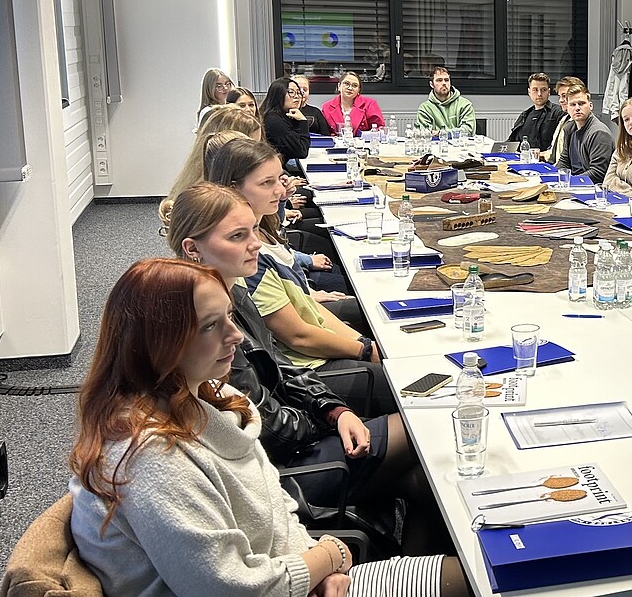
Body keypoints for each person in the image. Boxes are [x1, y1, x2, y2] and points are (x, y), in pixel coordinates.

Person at [67, 258, 464, 597]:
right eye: (210, 326)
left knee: (471, 561)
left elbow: (275, 507)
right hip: (275, 584)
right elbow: (228, 588)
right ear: (158, 343)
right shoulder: (148, 458)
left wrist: (320, 566)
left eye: (228, 316)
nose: (235, 334)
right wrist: (330, 557)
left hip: (291, 575)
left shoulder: (207, 398)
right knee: (475, 577)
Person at [167, 183, 451, 557]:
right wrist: (323, 422)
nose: (255, 244)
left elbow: (282, 368)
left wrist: (336, 410)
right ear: (193, 249)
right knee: (429, 427)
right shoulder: (203, 322)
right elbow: (268, 429)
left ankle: (409, 574)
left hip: (294, 442)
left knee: (426, 484)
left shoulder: (229, 292)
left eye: (253, 231)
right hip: (282, 473)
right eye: (238, 236)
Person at [203, 137, 391, 415]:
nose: (280, 190)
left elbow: (305, 302)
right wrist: (363, 351)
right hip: (305, 367)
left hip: (306, 355)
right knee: (401, 384)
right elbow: (297, 336)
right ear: (234, 189)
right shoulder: (247, 260)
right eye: (267, 183)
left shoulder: (263, 228)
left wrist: (364, 345)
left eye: (279, 179)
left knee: (378, 321)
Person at [555, 82, 613, 183]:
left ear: (590, 106)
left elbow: (598, 173)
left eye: (581, 103)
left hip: (592, 188)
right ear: (567, 108)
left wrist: (569, 181)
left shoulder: (599, 133)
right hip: (573, 184)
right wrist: (553, 178)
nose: (577, 108)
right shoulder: (569, 128)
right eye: (573, 104)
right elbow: (563, 162)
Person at [261, 76, 311, 172]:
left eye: (298, 92)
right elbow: (301, 151)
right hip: (272, 171)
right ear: (278, 95)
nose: (297, 96)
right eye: (291, 92)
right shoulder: (273, 120)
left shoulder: (284, 115)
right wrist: (303, 121)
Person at [507, 72, 563, 150]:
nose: (539, 94)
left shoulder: (559, 113)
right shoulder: (524, 116)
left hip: (547, 160)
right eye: (535, 90)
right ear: (529, 92)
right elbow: (511, 142)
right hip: (523, 159)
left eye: (543, 90)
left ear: (549, 92)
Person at [321, 71, 385, 136]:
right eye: (346, 83)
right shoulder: (327, 107)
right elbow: (325, 133)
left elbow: (379, 129)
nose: (350, 88)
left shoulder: (370, 104)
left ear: (358, 90)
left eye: (355, 85)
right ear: (339, 86)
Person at [414, 66, 475, 134]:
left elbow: (468, 131)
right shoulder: (425, 108)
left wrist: (440, 133)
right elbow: (425, 133)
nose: (444, 83)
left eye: (446, 80)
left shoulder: (465, 105)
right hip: (435, 144)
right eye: (439, 80)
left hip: (460, 144)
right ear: (432, 84)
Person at [541, 76, 576, 163]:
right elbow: (554, 151)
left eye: (564, 96)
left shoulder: (579, 124)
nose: (560, 100)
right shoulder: (564, 119)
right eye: (560, 96)